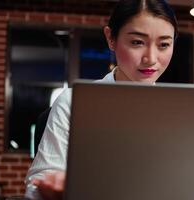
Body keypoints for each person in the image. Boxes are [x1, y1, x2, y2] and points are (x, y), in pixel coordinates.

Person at [24, 0, 178, 199]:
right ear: (111, 38)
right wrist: (59, 187)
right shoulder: (75, 101)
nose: (151, 58)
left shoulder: (177, 110)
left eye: (164, 44)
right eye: (137, 42)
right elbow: (35, 188)